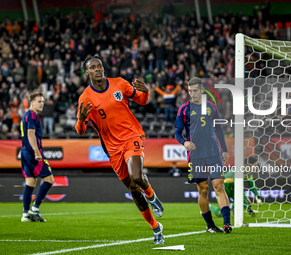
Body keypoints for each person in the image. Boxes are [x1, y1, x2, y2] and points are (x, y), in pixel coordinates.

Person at [75, 56, 164, 244]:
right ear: (87, 72)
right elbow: (80, 130)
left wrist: (146, 92)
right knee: (132, 188)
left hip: (131, 136)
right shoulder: (85, 98)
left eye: (100, 65)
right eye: (93, 67)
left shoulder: (119, 84)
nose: (98, 69)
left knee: (137, 176)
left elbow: (141, 100)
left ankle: (152, 196)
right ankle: (155, 227)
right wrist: (81, 120)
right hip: (112, 148)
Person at [175, 77, 232, 234]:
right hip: (196, 155)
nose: (192, 94)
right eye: (190, 91)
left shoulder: (211, 107)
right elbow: (177, 132)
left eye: (195, 91)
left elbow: (219, 129)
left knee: (219, 186)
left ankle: (227, 223)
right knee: (203, 190)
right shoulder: (184, 109)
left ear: (202, 90)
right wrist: (184, 143)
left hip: (214, 153)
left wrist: (224, 149)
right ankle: (210, 225)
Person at [20, 92, 54, 222]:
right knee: (49, 180)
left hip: (24, 152)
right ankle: (35, 209)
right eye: (39, 101)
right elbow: (30, 133)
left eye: (43, 101)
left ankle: (25, 214)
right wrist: (36, 151)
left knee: (30, 183)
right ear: (32, 102)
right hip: (33, 153)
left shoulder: (26, 115)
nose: (42, 103)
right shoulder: (33, 115)